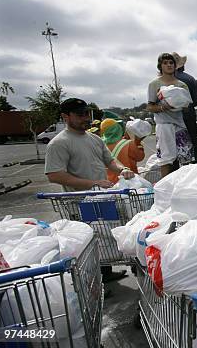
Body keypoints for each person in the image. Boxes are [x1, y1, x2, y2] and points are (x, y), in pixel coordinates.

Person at [45, 98, 134, 285]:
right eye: (80, 115)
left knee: (103, 237)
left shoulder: (94, 139)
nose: (86, 118)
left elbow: (110, 161)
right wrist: (92, 183)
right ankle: (93, 284)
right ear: (65, 117)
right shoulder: (59, 143)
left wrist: (122, 169)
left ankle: (105, 273)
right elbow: (54, 175)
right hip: (79, 203)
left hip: (101, 197)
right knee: (88, 243)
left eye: (87, 113)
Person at [146, 53, 193, 178]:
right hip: (163, 126)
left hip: (180, 125)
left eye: (171, 63)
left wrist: (182, 105)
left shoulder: (182, 85)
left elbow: (188, 105)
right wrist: (163, 107)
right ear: (160, 66)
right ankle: (165, 189)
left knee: (185, 158)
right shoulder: (154, 84)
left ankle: (184, 187)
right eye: (165, 63)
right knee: (165, 161)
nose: (169, 65)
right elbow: (150, 106)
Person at [172, 52, 197, 163]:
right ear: (181, 65)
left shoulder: (165, 80)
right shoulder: (190, 79)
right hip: (188, 115)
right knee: (194, 142)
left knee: (174, 146)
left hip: (171, 118)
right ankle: (196, 163)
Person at [100, 118, 145, 184]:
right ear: (118, 129)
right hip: (128, 180)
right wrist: (138, 143)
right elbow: (140, 157)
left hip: (108, 182)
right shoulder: (129, 143)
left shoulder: (100, 144)